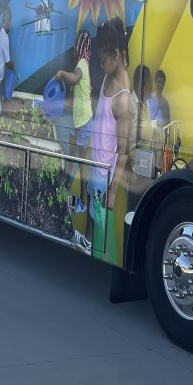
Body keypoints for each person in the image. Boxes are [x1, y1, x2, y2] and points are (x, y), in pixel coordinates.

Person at [84, 17, 132, 256]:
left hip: (104, 179)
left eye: (103, 57)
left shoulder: (123, 98)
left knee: (102, 240)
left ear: (116, 54)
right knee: (92, 234)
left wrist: (113, 193)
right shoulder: (108, 75)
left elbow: (123, 153)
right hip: (95, 170)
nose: (100, 62)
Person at [53, 31, 93, 156]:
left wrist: (62, 73)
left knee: (81, 157)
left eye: (77, 43)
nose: (75, 46)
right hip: (80, 119)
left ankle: (76, 172)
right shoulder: (85, 64)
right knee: (72, 143)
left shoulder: (81, 64)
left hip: (84, 120)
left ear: (80, 45)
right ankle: (69, 170)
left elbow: (74, 78)